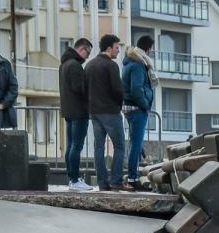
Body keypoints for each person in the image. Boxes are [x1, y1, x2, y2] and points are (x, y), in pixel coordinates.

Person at [88, 34, 131, 191]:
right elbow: (118, 90)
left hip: (94, 112)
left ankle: (102, 183)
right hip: (110, 112)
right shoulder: (111, 66)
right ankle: (116, 180)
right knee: (120, 146)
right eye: (116, 47)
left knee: (98, 147)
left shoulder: (90, 65)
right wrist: (119, 105)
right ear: (109, 48)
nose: (118, 51)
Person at [122, 35, 157, 189]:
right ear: (148, 49)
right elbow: (137, 89)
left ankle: (131, 175)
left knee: (135, 143)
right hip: (137, 108)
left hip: (129, 107)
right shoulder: (138, 64)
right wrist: (145, 105)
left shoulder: (130, 62)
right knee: (136, 144)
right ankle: (132, 178)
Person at [59, 38, 92, 191]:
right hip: (79, 111)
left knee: (71, 145)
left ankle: (71, 179)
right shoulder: (75, 65)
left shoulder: (64, 64)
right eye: (88, 52)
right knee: (76, 146)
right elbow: (80, 89)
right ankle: (75, 179)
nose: (88, 57)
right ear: (81, 49)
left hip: (68, 110)